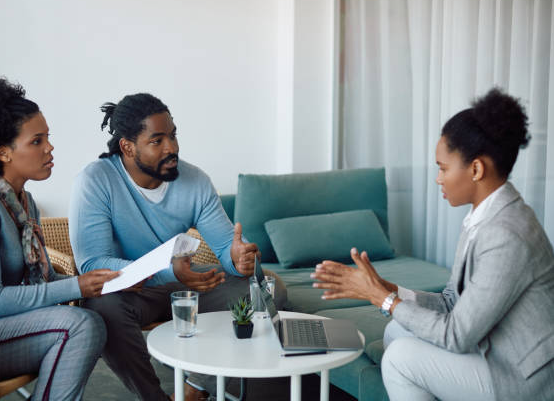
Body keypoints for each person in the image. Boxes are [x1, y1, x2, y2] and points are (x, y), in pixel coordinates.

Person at [311, 88, 554, 400]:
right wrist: (386, 288)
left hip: (521, 378)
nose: (438, 178)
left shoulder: (508, 235)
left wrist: (382, 299)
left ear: (476, 169)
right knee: (396, 330)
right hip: (490, 349)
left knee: (399, 358)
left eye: (443, 168)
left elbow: (456, 335)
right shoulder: (483, 215)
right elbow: (452, 301)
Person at [69, 92, 286, 401]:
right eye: (157, 141)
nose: (171, 147)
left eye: (172, 135)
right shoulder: (95, 180)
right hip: (130, 292)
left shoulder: (195, 181)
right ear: (127, 147)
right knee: (100, 308)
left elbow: (226, 246)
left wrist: (237, 259)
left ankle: (196, 389)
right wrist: (169, 271)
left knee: (267, 287)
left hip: (183, 284)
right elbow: (93, 265)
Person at [0, 78, 119, 400]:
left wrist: (100, 281)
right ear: (3, 153)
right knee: (81, 325)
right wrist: (78, 287)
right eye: (37, 141)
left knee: (96, 315)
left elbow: (44, 280)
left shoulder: (23, 202)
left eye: (47, 137)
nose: (49, 148)